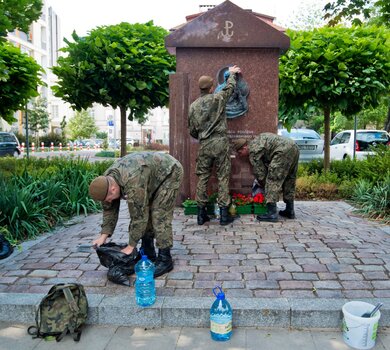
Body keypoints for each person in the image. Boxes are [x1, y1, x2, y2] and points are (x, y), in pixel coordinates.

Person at [89, 152, 183, 277]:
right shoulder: (106, 181)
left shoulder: (133, 181)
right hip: (149, 175)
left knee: (159, 214)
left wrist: (131, 246)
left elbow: (139, 217)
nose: (109, 201)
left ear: (113, 189)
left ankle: (165, 259)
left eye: (109, 198)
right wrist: (103, 236)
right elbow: (109, 210)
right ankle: (148, 252)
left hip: (170, 172)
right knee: (145, 208)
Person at [188, 65, 241, 226]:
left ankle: (200, 214)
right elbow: (230, 88)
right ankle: (224, 215)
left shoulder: (193, 106)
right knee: (223, 176)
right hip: (220, 142)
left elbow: (192, 130)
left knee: (203, 177)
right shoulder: (217, 98)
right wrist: (231, 74)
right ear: (212, 88)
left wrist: (203, 137)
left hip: (204, 144)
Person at [232, 133, 300, 222]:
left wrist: (264, 184)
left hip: (282, 151)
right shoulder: (257, 141)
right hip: (294, 147)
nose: (239, 155)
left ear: (245, 147)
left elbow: (260, 172)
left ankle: (271, 213)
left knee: (272, 180)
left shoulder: (253, 151)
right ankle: (290, 210)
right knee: (289, 179)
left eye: (240, 152)